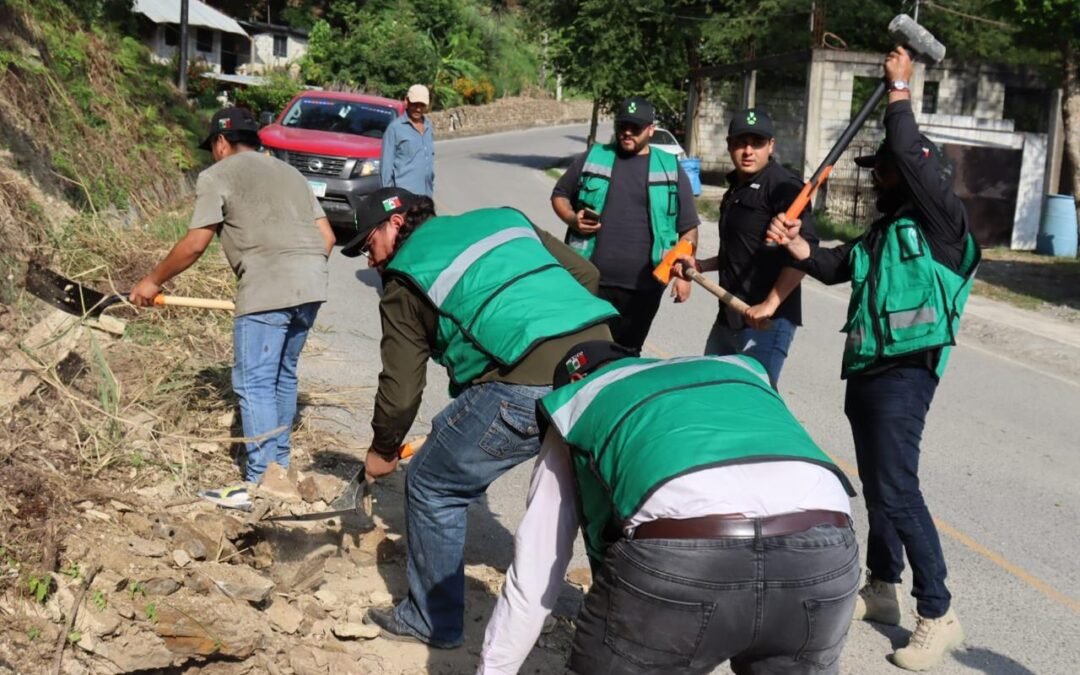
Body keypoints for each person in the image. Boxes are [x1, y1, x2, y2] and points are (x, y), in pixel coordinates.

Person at [766, 47, 979, 671]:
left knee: (897, 488)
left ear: (915, 174)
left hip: (907, 373)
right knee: (880, 490)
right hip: (867, 370)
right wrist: (799, 247)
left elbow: (911, 154)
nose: (877, 178)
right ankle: (881, 586)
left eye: (884, 171)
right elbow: (837, 267)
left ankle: (937, 612)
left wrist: (898, 91)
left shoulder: (943, 223)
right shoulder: (886, 233)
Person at [339, 187, 617, 649]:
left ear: (394, 224)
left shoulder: (404, 279)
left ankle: (430, 620)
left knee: (431, 482)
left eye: (369, 245)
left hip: (523, 383)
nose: (370, 260)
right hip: (601, 361)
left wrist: (382, 451)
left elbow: (402, 389)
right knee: (594, 492)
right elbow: (585, 274)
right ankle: (615, 625)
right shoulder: (503, 217)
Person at [479, 341, 859, 674]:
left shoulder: (580, 404)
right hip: (825, 553)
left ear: (575, 383)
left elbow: (536, 569)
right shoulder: (729, 372)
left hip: (685, 563)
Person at [130, 107, 335, 509]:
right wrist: (294, 271)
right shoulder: (291, 173)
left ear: (222, 143)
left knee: (254, 381)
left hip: (267, 289)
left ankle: (260, 482)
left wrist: (152, 281)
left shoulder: (217, 175)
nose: (213, 154)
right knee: (281, 376)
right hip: (312, 284)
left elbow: (194, 244)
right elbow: (326, 236)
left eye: (212, 148)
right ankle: (280, 470)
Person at [676, 108, 817, 388]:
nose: (748, 150)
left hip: (767, 322)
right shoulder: (736, 188)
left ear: (771, 146)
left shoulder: (784, 188)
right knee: (711, 390)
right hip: (729, 313)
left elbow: (805, 254)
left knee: (754, 402)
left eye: (757, 143)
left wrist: (770, 304)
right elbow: (741, 250)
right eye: (741, 142)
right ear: (729, 145)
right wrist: (702, 265)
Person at [551, 96, 699, 353]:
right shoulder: (595, 156)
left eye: (636, 127)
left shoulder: (670, 167)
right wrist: (572, 218)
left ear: (651, 129)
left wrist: (685, 275)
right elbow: (560, 194)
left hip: (645, 287)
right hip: (588, 279)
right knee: (581, 353)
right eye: (623, 126)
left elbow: (688, 229)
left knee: (626, 354)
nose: (627, 132)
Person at [380, 84, 435, 197]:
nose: (418, 109)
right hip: (404, 196)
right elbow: (386, 167)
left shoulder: (428, 127)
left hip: (426, 194)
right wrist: (389, 198)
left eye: (422, 105)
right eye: (415, 104)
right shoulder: (395, 128)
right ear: (406, 101)